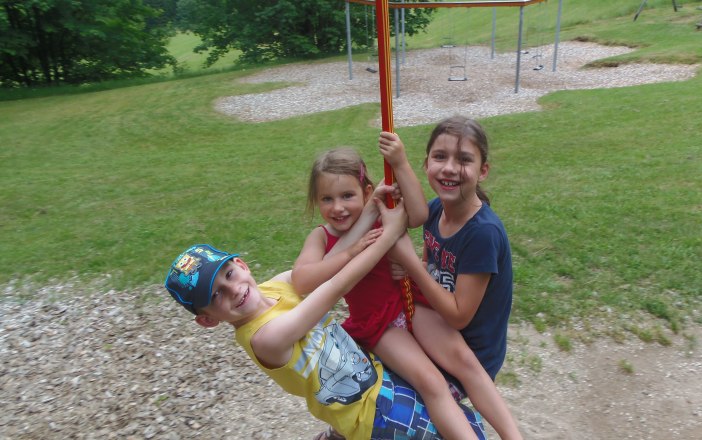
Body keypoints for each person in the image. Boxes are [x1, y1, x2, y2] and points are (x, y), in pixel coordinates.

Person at [163, 199, 486, 439]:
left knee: (458, 420)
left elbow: (327, 265)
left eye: (229, 274)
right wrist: (388, 237)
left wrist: (372, 212)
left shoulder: (274, 287)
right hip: (371, 419)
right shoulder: (264, 338)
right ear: (207, 320)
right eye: (216, 295)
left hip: (378, 380)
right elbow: (334, 286)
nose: (232, 289)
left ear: (242, 264)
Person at [293, 139, 521, 439]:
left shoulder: (379, 211)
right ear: (316, 201)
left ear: (366, 191)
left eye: (347, 195)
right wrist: (351, 253)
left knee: (467, 363)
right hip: (381, 323)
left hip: (411, 301)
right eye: (326, 199)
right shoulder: (321, 237)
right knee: (430, 383)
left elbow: (418, 215)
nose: (337, 207)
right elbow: (303, 281)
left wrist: (399, 162)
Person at [387, 116, 517, 436]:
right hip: (440, 333)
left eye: (464, 159)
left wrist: (411, 267)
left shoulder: (483, 234)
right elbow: (432, 268)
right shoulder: (434, 211)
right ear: (426, 163)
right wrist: (410, 266)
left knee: (410, 399)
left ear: (482, 170)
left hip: (470, 356)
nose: (449, 168)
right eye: (440, 157)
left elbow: (459, 315)